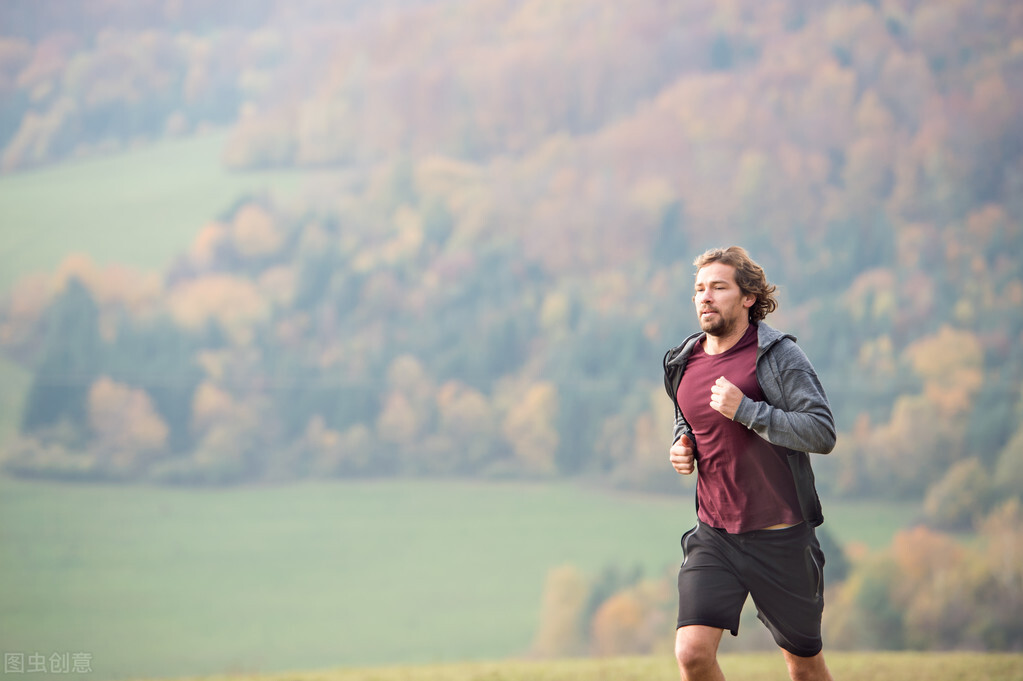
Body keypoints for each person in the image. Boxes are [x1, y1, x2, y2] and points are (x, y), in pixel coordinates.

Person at [662, 246, 837, 681]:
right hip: (715, 535)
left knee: (804, 666)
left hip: (780, 539)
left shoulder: (779, 357)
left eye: (719, 287)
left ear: (748, 298)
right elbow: (688, 414)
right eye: (700, 289)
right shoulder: (681, 361)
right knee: (692, 654)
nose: (706, 297)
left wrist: (748, 411)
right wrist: (682, 443)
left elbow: (822, 431)